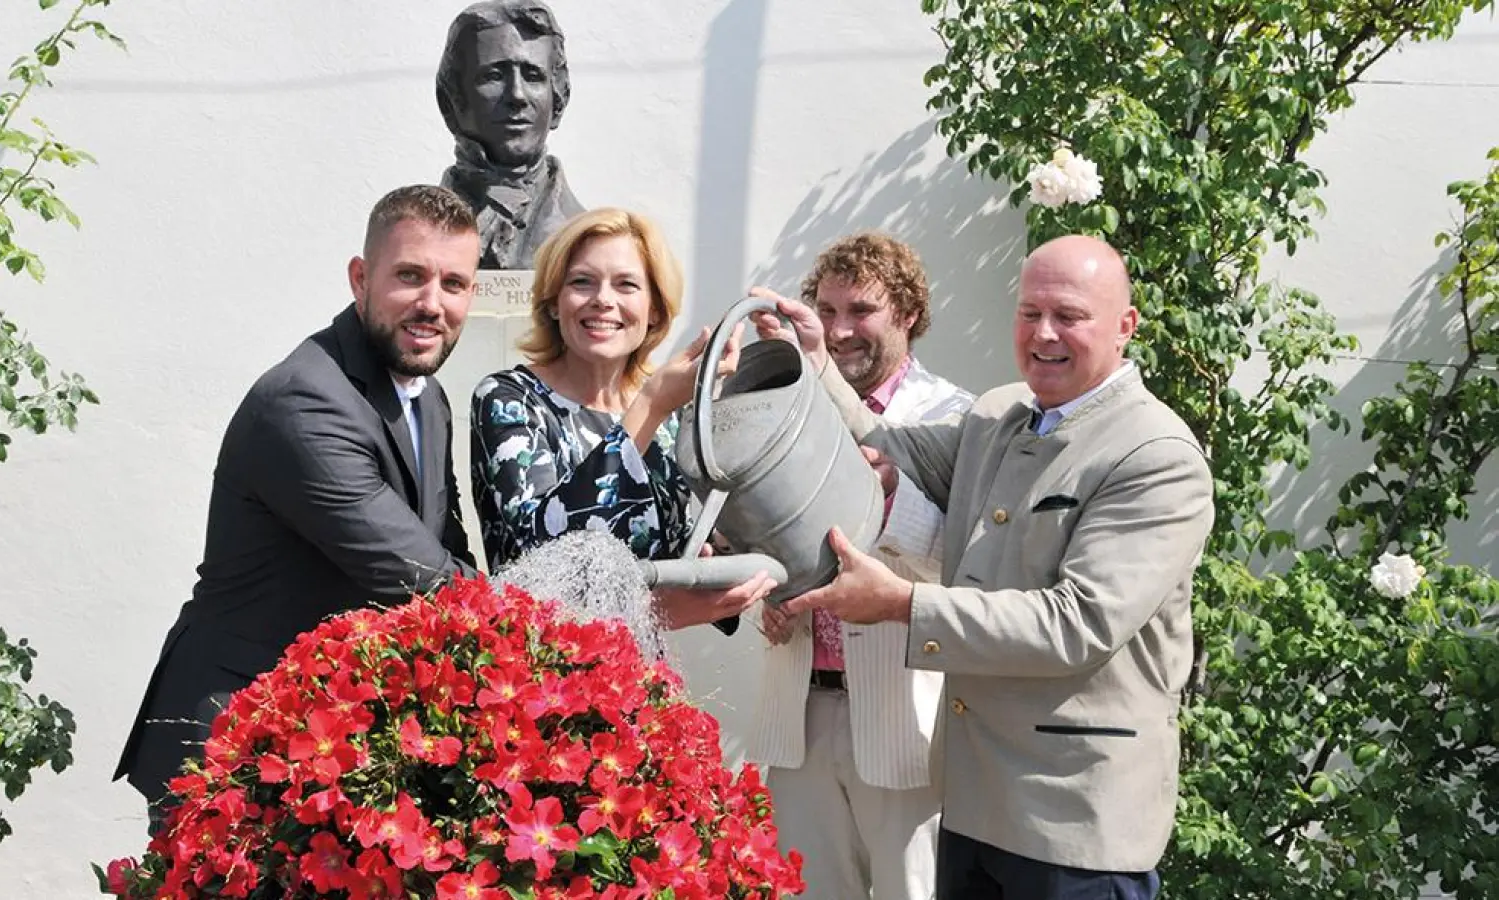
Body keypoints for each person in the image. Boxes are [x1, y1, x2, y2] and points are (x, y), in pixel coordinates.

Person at [752, 234, 1215, 900]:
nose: (1044, 333)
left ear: (1125, 326)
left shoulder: (1154, 454)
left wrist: (899, 604)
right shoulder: (1000, 416)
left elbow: (1077, 624)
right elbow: (880, 444)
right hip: (973, 809)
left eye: (1068, 315)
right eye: (1030, 313)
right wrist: (817, 360)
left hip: (1072, 821)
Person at [114, 185, 483, 825]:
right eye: (410, 276)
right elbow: (417, 575)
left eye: (453, 283)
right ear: (360, 279)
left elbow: (448, 544)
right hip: (232, 743)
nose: (432, 303)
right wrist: (534, 627)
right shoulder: (307, 403)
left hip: (323, 742)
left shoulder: (426, 396)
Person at [748, 233, 972, 900]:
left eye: (862, 311)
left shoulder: (954, 416)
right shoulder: (792, 404)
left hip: (907, 723)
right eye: (828, 310)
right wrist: (768, 592)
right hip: (799, 712)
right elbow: (768, 530)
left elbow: (964, 564)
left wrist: (891, 498)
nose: (841, 330)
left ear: (908, 313)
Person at [470, 206, 773, 632]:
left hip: (642, 668)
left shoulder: (670, 416)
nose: (603, 300)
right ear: (554, 302)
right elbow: (544, 552)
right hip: (540, 667)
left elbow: (681, 552)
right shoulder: (509, 400)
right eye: (582, 282)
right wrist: (650, 405)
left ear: (654, 310)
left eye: (626, 284)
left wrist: (727, 543)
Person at [436, 0, 584, 269]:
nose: (517, 95)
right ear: (450, 101)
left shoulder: (584, 237)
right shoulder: (417, 235)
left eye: (533, 76)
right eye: (493, 76)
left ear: (559, 101)